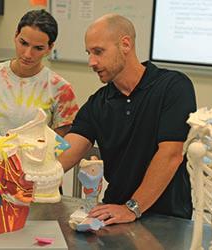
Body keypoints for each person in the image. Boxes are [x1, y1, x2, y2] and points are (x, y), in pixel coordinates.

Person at [59, 13, 196, 225]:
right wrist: (29, 172)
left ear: (125, 44)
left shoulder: (173, 87)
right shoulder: (98, 104)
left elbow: (171, 154)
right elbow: (68, 151)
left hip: (167, 218)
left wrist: (132, 208)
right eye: (89, 53)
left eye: (98, 52)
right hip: (113, 213)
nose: (91, 62)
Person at [0, 9, 78, 148]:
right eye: (23, 43)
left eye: (38, 48)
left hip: (36, 168)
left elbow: (59, 144)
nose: (28, 54)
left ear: (50, 48)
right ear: (16, 35)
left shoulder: (60, 89)